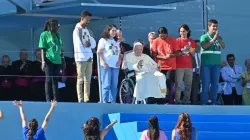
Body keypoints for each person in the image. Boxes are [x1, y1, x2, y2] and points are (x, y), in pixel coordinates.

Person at [200, 19, 225, 105]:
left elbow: (223, 46)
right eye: (213, 26)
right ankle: (204, 101)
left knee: (215, 84)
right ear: (209, 26)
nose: (215, 27)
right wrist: (213, 39)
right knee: (206, 83)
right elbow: (204, 46)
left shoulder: (219, 37)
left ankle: (213, 101)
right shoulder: (204, 37)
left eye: (216, 26)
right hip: (206, 64)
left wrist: (218, 39)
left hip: (216, 65)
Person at [39, 19, 66, 102]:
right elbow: (42, 49)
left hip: (58, 60)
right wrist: (43, 62)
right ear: (50, 26)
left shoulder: (58, 35)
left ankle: (55, 99)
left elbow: (61, 49)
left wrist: (63, 60)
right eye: (55, 25)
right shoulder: (44, 34)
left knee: (55, 80)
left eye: (58, 25)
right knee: (48, 80)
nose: (57, 27)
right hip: (48, 60)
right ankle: (48, 99)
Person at [151, 27, 180, 104]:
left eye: (164, 36)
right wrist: (162, 57)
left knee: (168, 81)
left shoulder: (173, 40)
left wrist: (171, 55)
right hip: (160, 66)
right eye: (161, 36)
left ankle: (170, 100)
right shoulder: (156, 41)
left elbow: (178, 52)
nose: (162, 37)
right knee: (160, 82)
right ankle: (161, 99)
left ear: (167, 34)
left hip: (170, 66)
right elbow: (154, 54)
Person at [73, 11, 96, 103]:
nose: (88, 22)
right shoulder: (77, 30)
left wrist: (89, 44)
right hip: (81, 58)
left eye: (89, 20)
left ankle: (87, 98)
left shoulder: (88, 31)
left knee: (88, 79)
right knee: (80, 79)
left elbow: (94, 44)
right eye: (87, 20)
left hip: (89, 58)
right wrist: (87, 46)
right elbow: (79, 45)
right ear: (82, 19)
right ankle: (80, 99)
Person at [97, 24, 122, 103]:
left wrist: (119, 61)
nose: (114, 32)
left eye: (115, 31)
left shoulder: (116, 42)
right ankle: (104, 101)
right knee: (106, 84)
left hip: (115, 66)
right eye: (112, 30)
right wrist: (103, 62)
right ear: (108, 31)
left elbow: (119, 53)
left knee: (114, 85)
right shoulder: (103, 40)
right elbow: (99, 52)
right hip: (106, 66)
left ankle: (112, 102)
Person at [175, 24, 196, 104]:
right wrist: (182, 52)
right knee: (178, 85)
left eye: (184, 31)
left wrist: (189, 48)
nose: (182, 33)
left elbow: (193, 53)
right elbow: (175, 52)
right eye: (180, 31)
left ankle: (186, 100)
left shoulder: (191, 41)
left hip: (189, 66)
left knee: (188, 85)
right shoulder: (177, 41)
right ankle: (177, 100)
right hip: (179, 66)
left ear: (187, 31)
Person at [191, 40, 201, 104]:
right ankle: (194, 103)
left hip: (203, 74)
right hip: (193, 74)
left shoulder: (202, 55)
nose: (198, 47)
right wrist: (195, 70)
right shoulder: (190, 56)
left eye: (199, 46)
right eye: (196, 46)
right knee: (194, 89)